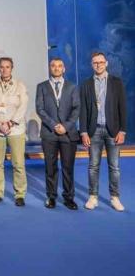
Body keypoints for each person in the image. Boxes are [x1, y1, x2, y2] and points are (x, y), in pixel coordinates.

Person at [80, 51, 127, 211]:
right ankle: (93, 197)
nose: (98, 65)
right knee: (93, 166)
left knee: (114, 166)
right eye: (95, 62)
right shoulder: (86, 84)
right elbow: (83, 110)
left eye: (101, 62)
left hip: (113, 130)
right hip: (93, 131)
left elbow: (122, 108)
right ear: (91, 65)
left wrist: (122, 130)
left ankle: (115, 197)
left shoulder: (116, 82)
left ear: (106, 63)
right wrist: (83, 132)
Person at [36, 57, 80, 210]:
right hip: (49, 133)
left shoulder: (72, 87)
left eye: (59, 66)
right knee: (51, 167)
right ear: (50, 68)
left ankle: (69, 198)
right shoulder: (41, 86)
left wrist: (65, 126)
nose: (56, 68)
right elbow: (40, 109)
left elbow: (76, 109)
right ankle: (51, 197)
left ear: (64, 69)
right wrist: (54, 125)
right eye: (53, 65)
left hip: (68, 134)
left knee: (68, 168)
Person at [0, 57, 29, 207]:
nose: (4, 69)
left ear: (12, 68)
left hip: (16, 129)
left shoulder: (20, 86)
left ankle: (20, 194)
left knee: (18, 163)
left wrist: (10, 123)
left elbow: (23, 107)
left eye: (7, 67)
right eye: (2, 67)